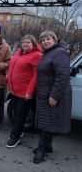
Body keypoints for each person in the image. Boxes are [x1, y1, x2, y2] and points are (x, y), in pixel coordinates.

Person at [33, 31, 72, 164]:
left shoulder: (59, 53)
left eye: (48, 39)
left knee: (47, 122)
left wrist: (54, 95)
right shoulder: (48, 53)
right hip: (45, 93)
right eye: (43, 40)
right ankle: (48, 146)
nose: (45, 42)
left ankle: (41, 149)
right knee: (47, 120)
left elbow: (63, 76)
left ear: (54, 40)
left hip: (54, 94)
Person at [6, 35, 42, 148]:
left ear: (34, 44)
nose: (25, 44)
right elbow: (12, 68)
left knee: (20, 114)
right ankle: (19, 130)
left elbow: (36, 75)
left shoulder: (37, 55)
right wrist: (9, 84)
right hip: (14, 89)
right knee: (16, 111)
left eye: (28, 42)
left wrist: (30, 91)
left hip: (25, 91)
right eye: (23, 42)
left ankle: (15, 136)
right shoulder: (19, 52)